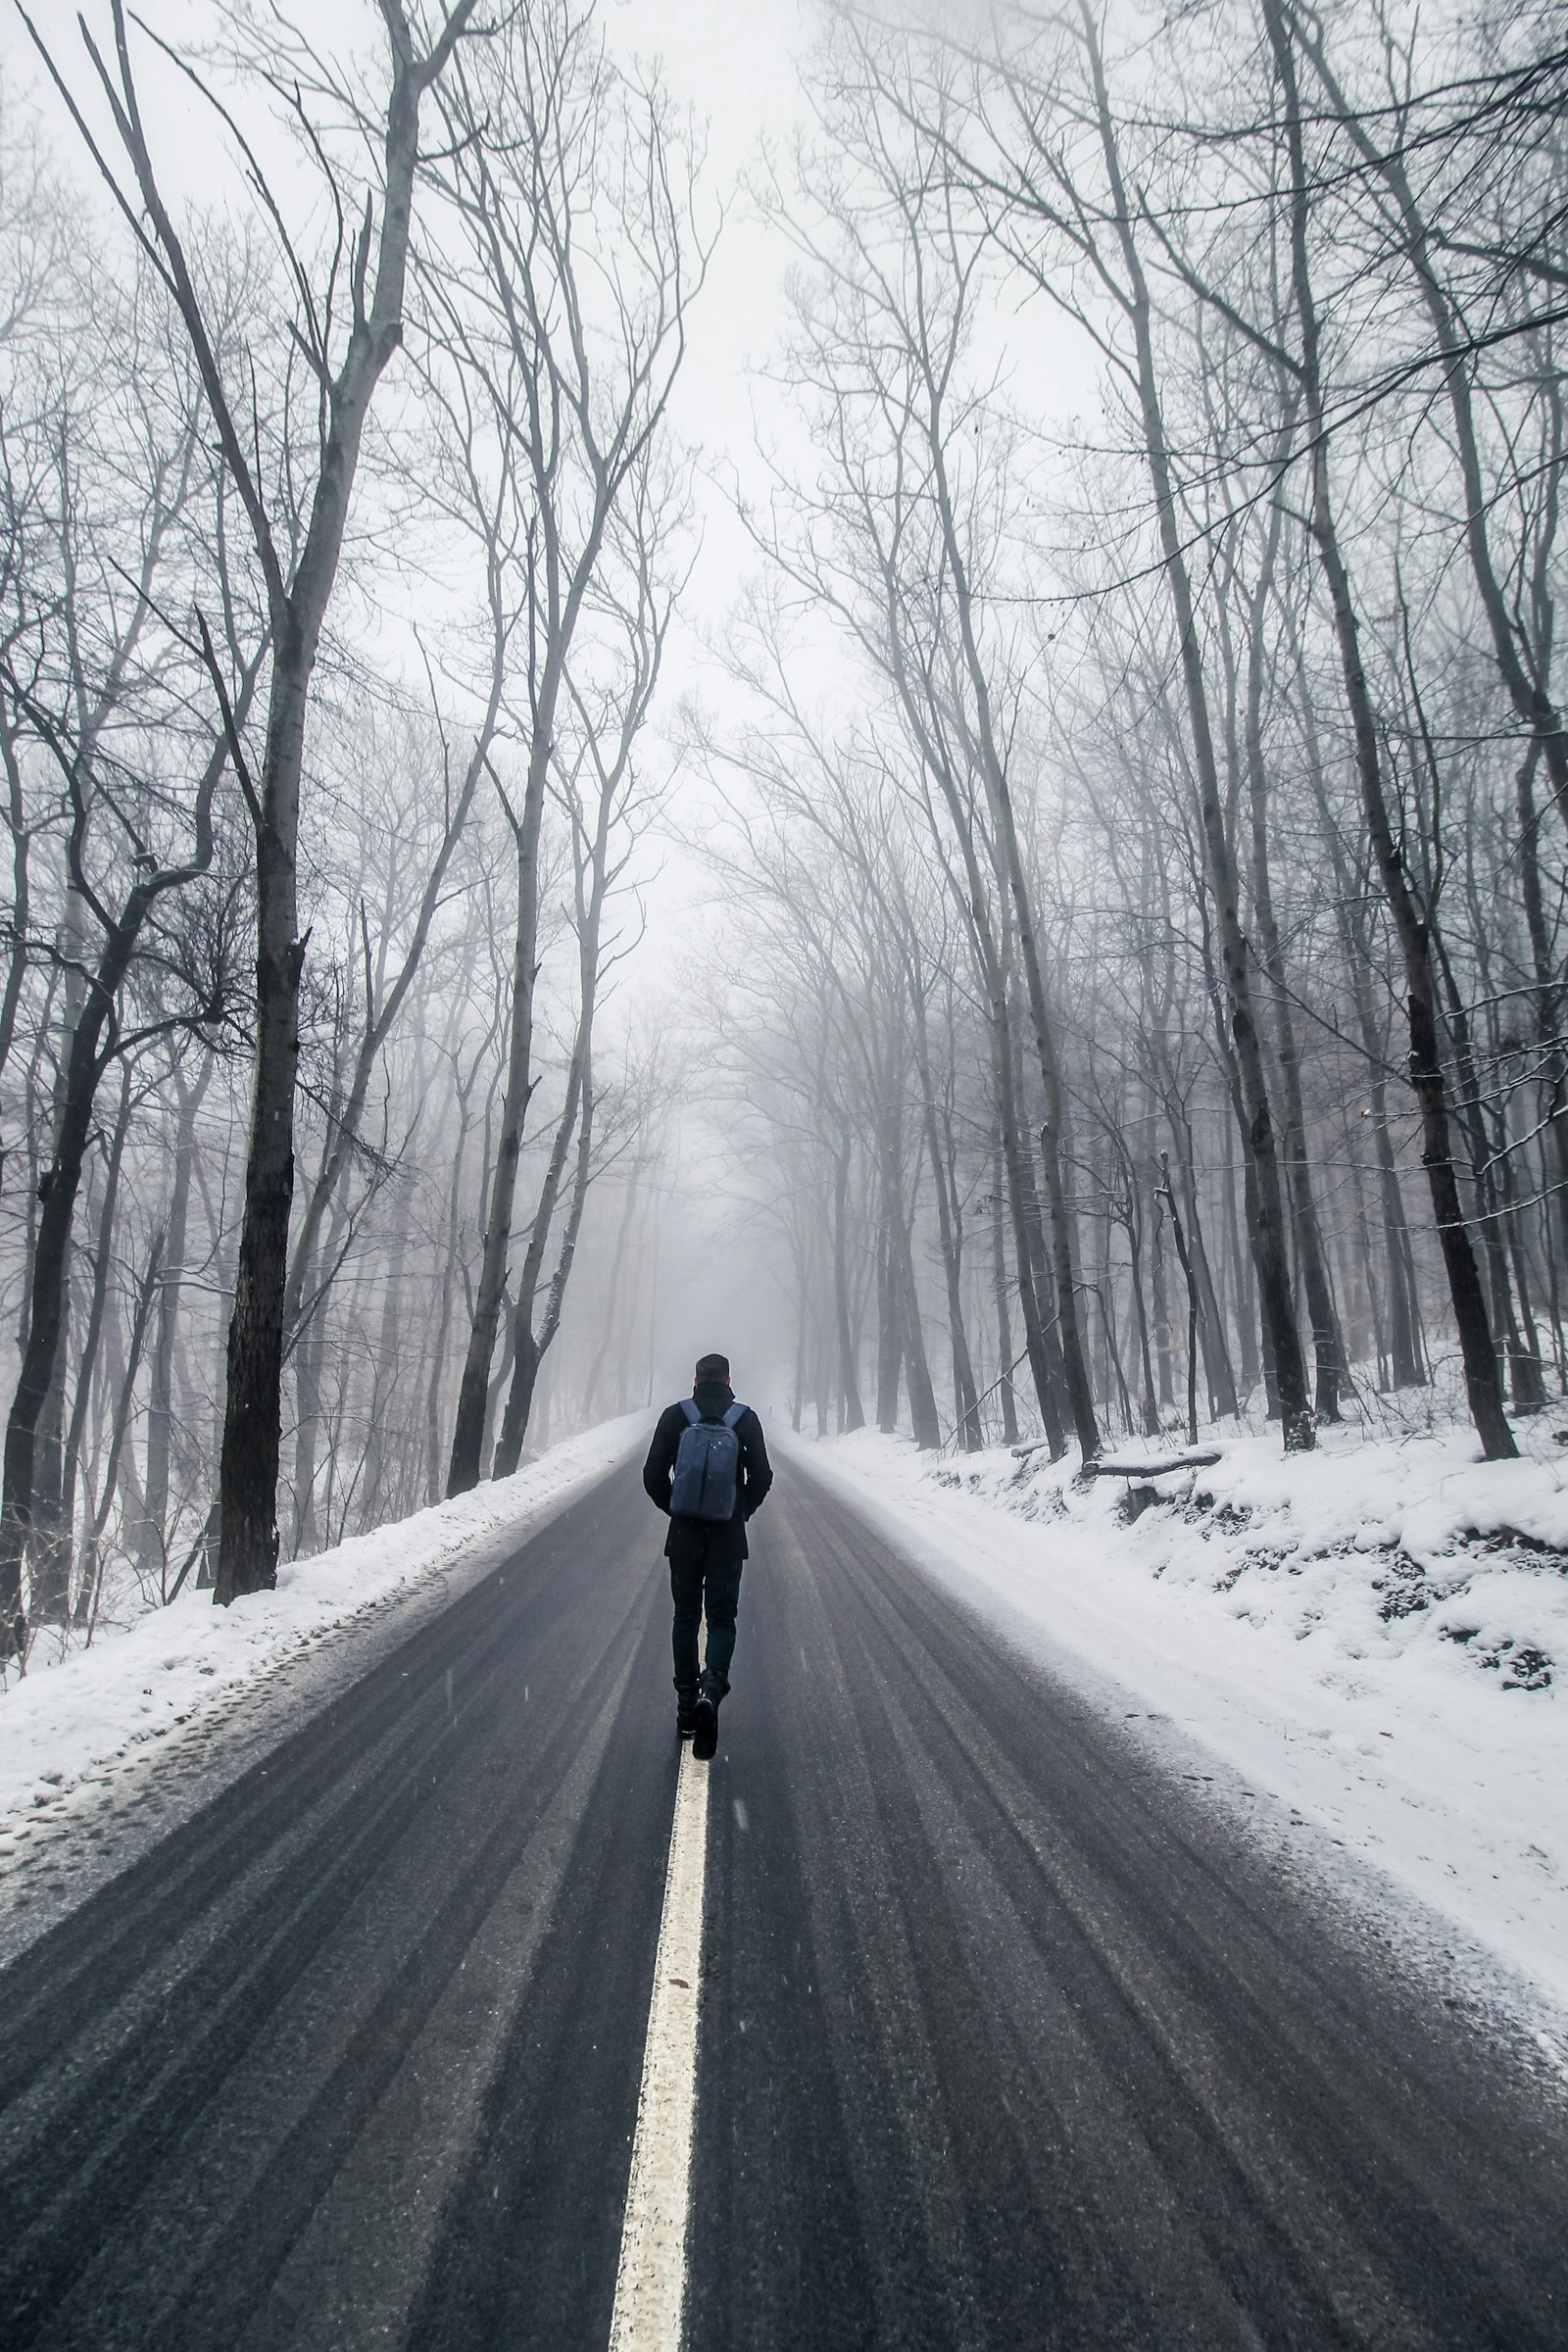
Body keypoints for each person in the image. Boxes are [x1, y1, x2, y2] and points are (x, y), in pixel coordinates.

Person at [643, 1352, 772, 1759]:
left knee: (685, 1618)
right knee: (721, 1618)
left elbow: (652, 1475)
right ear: (729, 1379)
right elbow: (763, 1477)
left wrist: (677, 1509)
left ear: (695, 1380)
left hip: (684, 1537)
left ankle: (685, 1711)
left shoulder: (675, 1416)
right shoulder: (744, 1418)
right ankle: (711, 1694)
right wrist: (739, 1512)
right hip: (727, 1538)